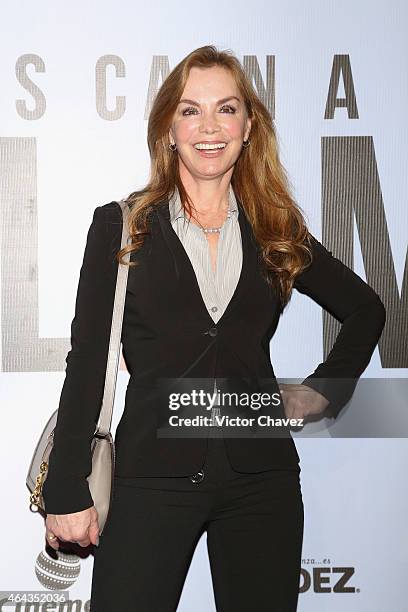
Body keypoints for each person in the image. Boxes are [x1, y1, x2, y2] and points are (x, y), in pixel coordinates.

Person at [42, 45, 386, 611]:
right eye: (190, 110)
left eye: (226, 109)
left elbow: (366, 309)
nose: (209, 127)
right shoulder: (123, 226)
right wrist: (65, 488)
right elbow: (87, 364)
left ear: (248, 127)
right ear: (168, 128)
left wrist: (323, 390)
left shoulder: (276, 229)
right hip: (152, 478)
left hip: (262, 480)